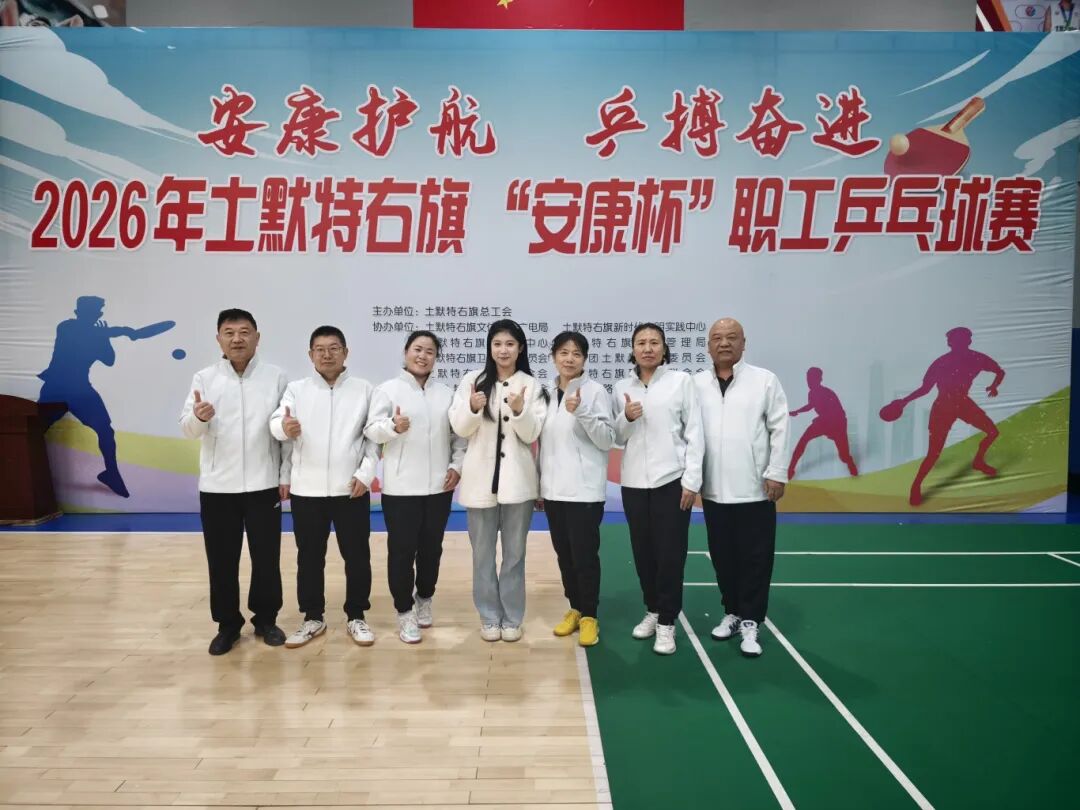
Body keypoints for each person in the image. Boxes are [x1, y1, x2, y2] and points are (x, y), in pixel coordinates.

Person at [179, 308, 290, 655]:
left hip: (263, 485)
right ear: (219, 340)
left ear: (257, 337)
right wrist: (198, 418)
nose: (237, 339)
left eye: (244, 332)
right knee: (221, 561)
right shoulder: (204, 378)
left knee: (266, 558)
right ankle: (227, 625)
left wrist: (284, 476)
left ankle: (266, 620)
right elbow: (187, 429)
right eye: (229, 333)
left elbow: (285, 432)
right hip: (217, 488)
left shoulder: (276, 377)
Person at [270, 326, 379, 648]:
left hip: (350, 489)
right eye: (320, 349)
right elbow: (277, 426)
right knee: (309, 557)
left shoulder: (364, 390)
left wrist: (365, 475)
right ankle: (312, 617)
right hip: (307, 490)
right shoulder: (296, 390)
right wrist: (284, 429)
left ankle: (356, 615)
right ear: (310, 355)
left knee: (357, 556)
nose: (327, 355)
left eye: (333, 348)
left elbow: (373, 439)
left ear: (345, 352)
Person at [695, 318, 790, 658]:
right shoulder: (696, 384)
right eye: (717, 338)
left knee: (755, 558)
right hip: (713, 490)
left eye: (731, 337)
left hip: (755, 488)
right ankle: (732, 611)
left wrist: (776, 472)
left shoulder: (764, 381)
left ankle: (751, 620)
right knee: (722, 557)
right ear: (708, 346)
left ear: (744, 343)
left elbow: (780, 427)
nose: (724, 343)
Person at [364, 331, 466, 644]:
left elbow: (458, 437)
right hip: (401, 489)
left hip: (439, 488)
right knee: (401, 551)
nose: (423, 356)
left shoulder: (445, 394)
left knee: (432, 549)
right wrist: (392, 427)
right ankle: (404, 611)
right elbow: (372, 431)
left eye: (430, 351)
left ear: (436, 358)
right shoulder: (387, 390)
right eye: (417, 349)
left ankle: (424, 598)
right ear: (406, 352)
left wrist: (456, 466)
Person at [449, 319, 547, 642]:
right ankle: (489, 616)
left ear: (520, 348)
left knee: (515, 556)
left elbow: (532, 434)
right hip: (479, 484)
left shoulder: (531, 385)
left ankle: (513, 617)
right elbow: (460, 428)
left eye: (509, 344)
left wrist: (520, 411)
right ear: (489, 348)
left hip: (519, 485)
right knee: (482, 556)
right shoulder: (473, 381)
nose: (503, 350)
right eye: (497, 344)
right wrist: (472, 407)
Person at [613, 322, 703, 656]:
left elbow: (695, 433)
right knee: (643, 552)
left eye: (654, 342)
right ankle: (652, 609)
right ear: (633, 349)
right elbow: (617, 437)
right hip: (634, 483)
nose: (647, 348)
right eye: (641, 342)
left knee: (670, 555)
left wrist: (691, 480)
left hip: (671, 482)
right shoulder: (622, 387)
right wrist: (626, 417)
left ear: (664, 349)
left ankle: (667, 622)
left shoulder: (681, 382)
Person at [39, 295, 174, 498]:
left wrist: (105, 338)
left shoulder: (97, 335)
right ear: (80, 312)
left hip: (80, 388)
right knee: (35, 430)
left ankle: (111, 474)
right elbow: (81, 337)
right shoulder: (66, 327)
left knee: (105, 430)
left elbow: (109, 360)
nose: (96, 315)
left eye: (98, 311)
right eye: (94, 311)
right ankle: (21, 469)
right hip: (56, 388)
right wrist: (113, 334)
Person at [538, 331, 615, 647]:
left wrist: (582, 411)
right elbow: (543, 444)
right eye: (563, 352)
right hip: (553, 491)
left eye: (576, 354)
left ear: (584, 359)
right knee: (564, 555)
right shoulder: (545, 393)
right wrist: (540, 487)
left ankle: (590, 616)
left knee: (584, 557)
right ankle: (575, 607)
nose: (569, 359)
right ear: (553, 356)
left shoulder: (595, 392)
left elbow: (607, 439)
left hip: (584, 491)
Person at [886, 327, 1004, 507]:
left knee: (993, 432)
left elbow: (1000, 372)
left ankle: (978, 461)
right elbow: (925, 389)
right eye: (956, 341)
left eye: (962, 340)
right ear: (950, 343)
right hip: (943, 407)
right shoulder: (941, 363)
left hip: (963, 403)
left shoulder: (977, 358)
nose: (959, 343)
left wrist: (994, 386)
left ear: (968, 341)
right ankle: (916, 485)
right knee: (933, 453)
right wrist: (904, 401)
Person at [788, 367, 858, 479]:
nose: (809, 382)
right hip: (823, 422)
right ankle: (790, 470)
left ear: (819, 379)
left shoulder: (827, 392)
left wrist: (831, 426)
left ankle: (850, 464)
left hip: (837, 423)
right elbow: (810, 406)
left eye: (811, 379)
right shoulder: (811, 393)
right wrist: (797, 411)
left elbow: (837, 412)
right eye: (808, 379)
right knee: (803, 440)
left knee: (844, 456)